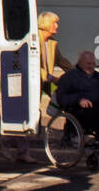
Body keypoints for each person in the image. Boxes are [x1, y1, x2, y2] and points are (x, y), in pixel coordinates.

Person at [11, 10, 74, 161]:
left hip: (40, 85)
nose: (57, 26)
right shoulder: (34, 40)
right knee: (28, 114)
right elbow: (32, 63)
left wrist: (77, 73)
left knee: (33, 114)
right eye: (54, 23)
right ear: (45, 24)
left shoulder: (52, 44)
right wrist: (51, 78)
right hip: (28, 82)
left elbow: (63, 62)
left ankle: (21, 149)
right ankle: (21, 150)